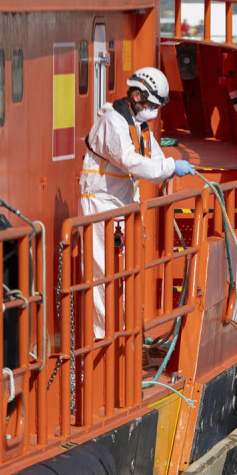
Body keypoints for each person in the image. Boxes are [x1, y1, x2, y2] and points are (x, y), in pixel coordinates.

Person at [79, 66, 194, 337]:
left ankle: (119, 330)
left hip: (120, 205)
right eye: (151, 104)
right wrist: (169, 167)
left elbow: (153, 159)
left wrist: (167, 166)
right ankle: (101, 337)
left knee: (121, 270)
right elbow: (130, 161)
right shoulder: (113, 122)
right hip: (99, 204)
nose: (152, 110)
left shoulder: (139, 126)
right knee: (101, 271)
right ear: (137, 94)